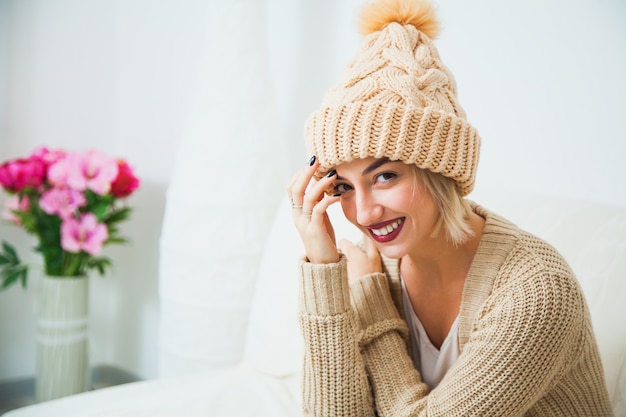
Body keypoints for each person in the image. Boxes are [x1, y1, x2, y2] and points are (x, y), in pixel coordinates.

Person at [287, 0, 614, 415]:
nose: (365, 214)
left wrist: (369, 305)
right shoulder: (373, 265)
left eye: (385, 176)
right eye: (344, 186)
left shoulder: (536, 292)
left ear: (438, 169)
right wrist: (322, 269)